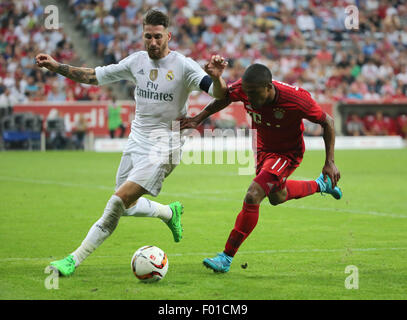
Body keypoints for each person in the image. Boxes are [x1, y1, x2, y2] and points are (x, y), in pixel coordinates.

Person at [35, 9, 228, 276]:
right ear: (142, 35)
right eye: (147, 36)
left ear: (168, 36)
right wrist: (56, 66)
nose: (152, 42)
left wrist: (217, 77)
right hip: (136, 141)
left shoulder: (184, 66)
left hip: (165, 146)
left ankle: (72, 260)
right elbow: (93, 76)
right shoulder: (136, 62)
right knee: (126, 207)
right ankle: (168, 213)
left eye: (158, 37)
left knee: (117, 202)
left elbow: (218, 92)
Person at [179, 63, 342, 273]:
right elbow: (225, 98)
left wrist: (329, 161)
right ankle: (321, 186)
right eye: (247, 94)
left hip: (286, 153)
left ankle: (226, 258)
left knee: (253, 195)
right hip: (262, 149)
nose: (250, 99)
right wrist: (197, 119)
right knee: (277, 196)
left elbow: (327, 122)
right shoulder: (246, 88)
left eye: (255, 94)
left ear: (268, 87)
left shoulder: (296, 100)